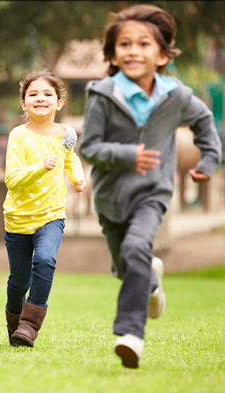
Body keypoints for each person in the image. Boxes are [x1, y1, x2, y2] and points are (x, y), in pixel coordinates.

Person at [79, 4, 222, 368]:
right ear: (112, 53)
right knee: (125, 264)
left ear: (161, 55)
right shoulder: (103, 94)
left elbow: (206, 125)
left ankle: (131, 334)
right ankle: (152, 284)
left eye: (144, 44)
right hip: (110, 197)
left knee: (136, 246)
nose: (133, 51)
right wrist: (128, 155)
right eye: (124, 44)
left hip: (152, 193)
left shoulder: (176, 97)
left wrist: (208, 162)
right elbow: (90, 147)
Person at [3, 70, 87, 348]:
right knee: (18, 281)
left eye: (48, 94)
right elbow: (12, 179)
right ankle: (14, 322)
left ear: (59, 103)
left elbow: (70, 159)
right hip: (17, 219)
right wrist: (40, 167)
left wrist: (77, 177)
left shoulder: (67, 133)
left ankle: (29, 325)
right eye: (33, 94)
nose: (41, 98)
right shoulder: (19, 136)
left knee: (45, 261)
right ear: (24, 103)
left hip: (51, 215)